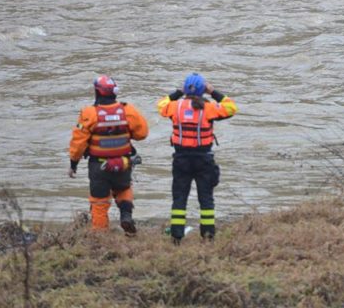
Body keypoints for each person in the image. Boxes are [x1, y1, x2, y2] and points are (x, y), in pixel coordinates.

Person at [157, 73, 237, 243]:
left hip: (181, 160)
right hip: (204, 160)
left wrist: (178, 92)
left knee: (179, 199)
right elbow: (231, 108)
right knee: (206, 200)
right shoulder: (208, 108)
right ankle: (208, 237)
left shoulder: (175, 107)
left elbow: (161, 104)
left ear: (185, 89)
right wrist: (213, 91)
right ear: (203, 90)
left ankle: (176, 237)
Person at [68, 75, 149, 234]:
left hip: (98, 166)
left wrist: (73, 164)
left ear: (97, 92)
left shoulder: (89, 113)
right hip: (123, 163)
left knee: (99, 203)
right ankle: (126, 215)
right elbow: (142, 133)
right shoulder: (128, 110)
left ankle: (100, 236)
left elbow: (78, 143)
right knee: (124, 189)